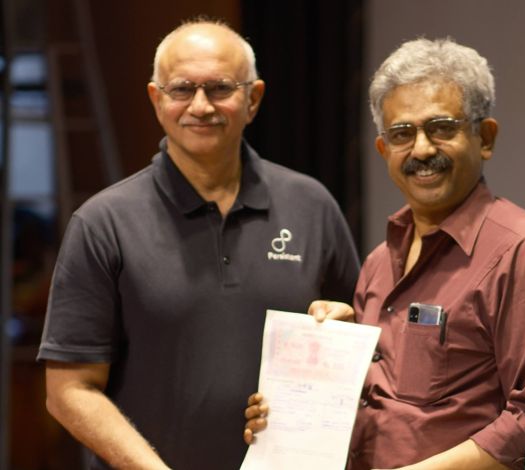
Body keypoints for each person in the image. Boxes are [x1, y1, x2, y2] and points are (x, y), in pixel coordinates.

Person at [37, 19, 360, 469]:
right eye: (182, 89)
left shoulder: (312, 206)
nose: (201, 106)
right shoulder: (103, 222)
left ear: (253, 99)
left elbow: (361, 340)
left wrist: (346, 330)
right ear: (157, 99)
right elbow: (69, 390)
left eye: (220, 88)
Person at [245, 38, 525, 469]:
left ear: (485, 137)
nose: (421, 149)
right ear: (384, 150)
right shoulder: (379, 262)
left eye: (441, 128)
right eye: (402, 134)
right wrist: (298, 401)